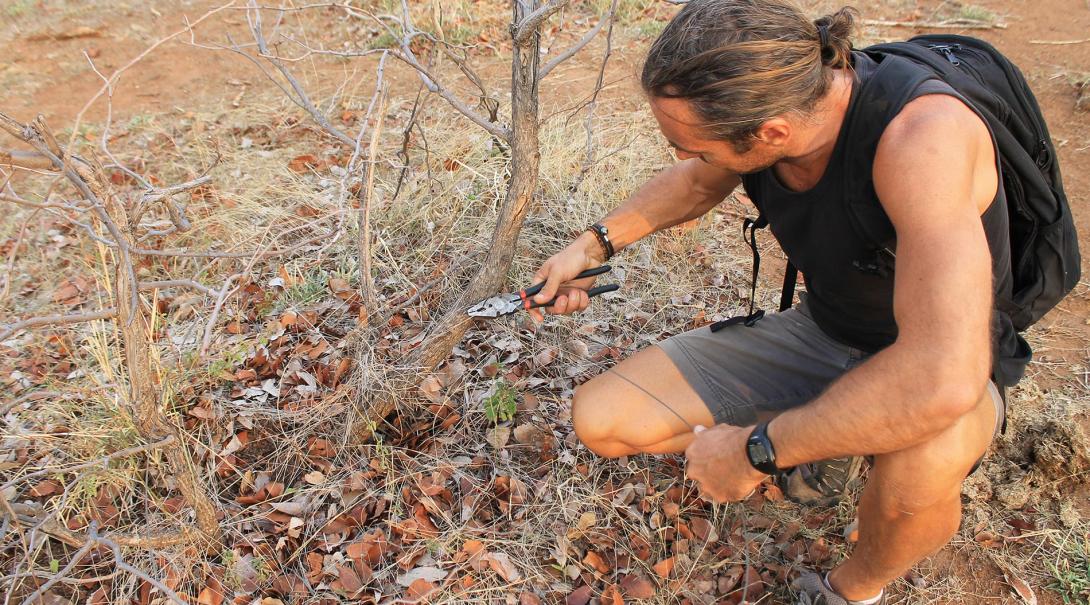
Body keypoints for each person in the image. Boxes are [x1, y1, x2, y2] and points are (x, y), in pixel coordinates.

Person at [527, 1, 1017, 603]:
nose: (684, 157)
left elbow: (941, 377)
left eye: (696, 146)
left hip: (942, 359)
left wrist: (758, 449)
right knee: (603, 419)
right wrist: (594, 244)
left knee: (917, 475)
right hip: (829, 329)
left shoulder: (922, 143)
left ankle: (851, 590)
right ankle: (831, 435)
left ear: (773, 133)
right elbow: (699, 181)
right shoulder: (780, 108)